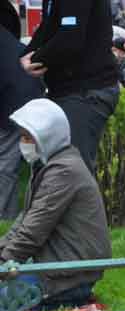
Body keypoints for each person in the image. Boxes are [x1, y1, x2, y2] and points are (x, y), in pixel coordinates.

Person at [1, 99, 112, 311]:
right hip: (61, 270)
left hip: (68, 277)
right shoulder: (51, 164)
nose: (23, 144)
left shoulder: (62, 171)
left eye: (28, 138)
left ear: (46, 137)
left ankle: (65, 299)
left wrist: (4, 264)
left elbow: (31, 234)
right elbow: (25, 221)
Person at [20, 0, 120, 174]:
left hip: (85, 91)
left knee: (73, 172)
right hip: (68, 89)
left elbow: (70, 37)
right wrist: (26, 56)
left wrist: (34, 59)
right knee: (56, 168)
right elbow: (48, 26)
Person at [0, 0, 43, 220]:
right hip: (27, 94)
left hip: (16, 102)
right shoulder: (6, 37)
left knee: (5, 164)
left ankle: (4, 217)